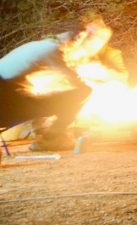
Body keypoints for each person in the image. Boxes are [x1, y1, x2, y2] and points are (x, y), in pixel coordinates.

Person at [0, 22, 110, 152]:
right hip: (6, 107)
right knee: (82, 92)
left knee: (40, 95)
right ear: (79, 38)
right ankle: (51, 140)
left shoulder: (40, 46)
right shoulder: (53, 51)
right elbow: (76, 83)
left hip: (8, 100)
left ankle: (43, 133)